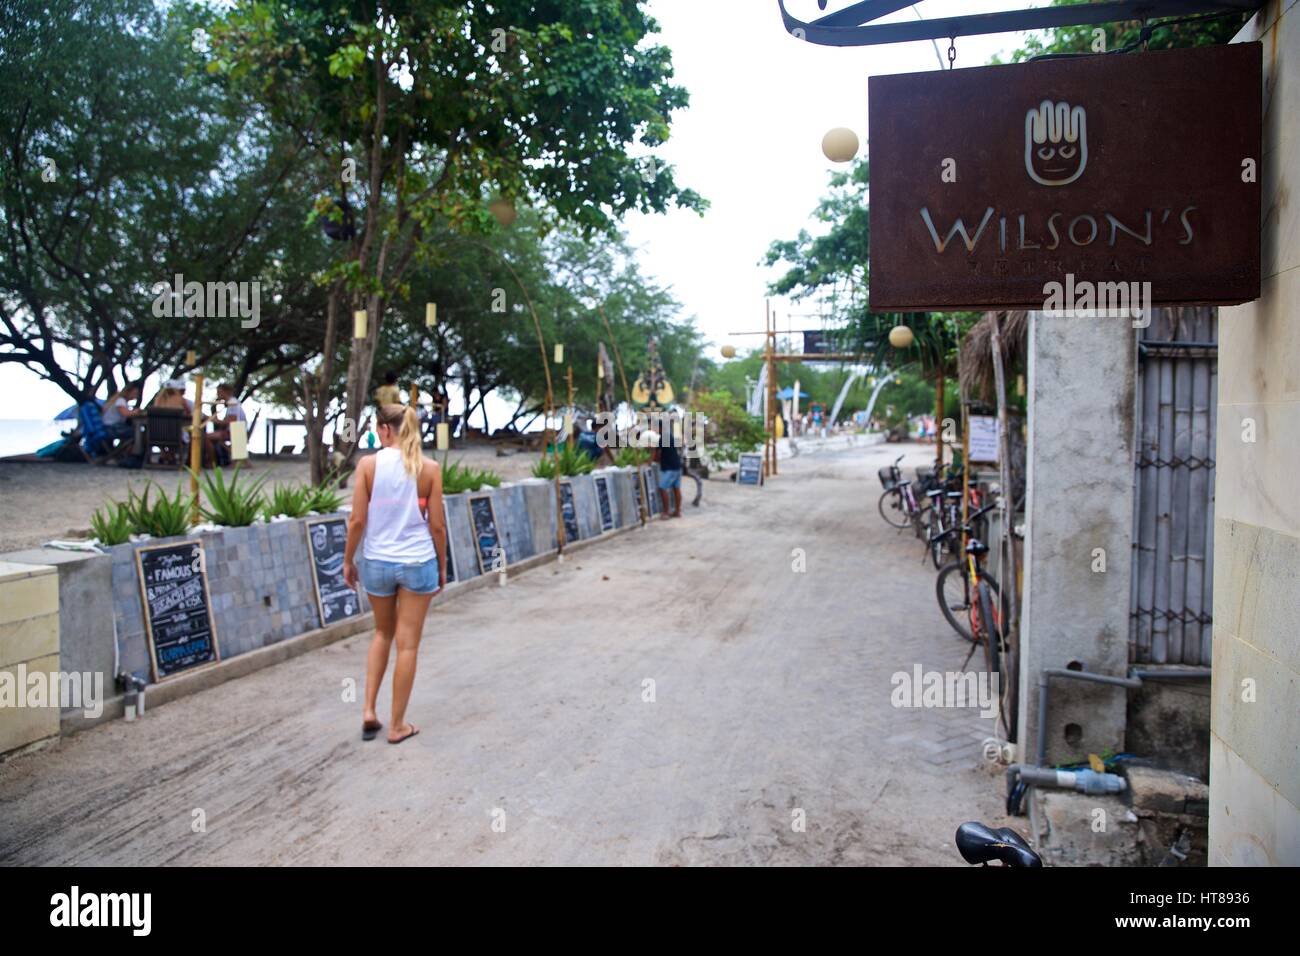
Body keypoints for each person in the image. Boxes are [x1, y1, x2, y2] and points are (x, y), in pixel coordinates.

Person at [343, 404, 447, 745]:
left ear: (385, 430)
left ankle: (369, 710)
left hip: (377, 561)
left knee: (381, 634)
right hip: (418, 563)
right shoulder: (429, 468)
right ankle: (398, 725)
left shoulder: (368, 465)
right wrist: (442, 566)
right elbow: (437, 526)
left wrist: (348, 561)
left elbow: (357, 521)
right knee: (408, 645)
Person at [205, 383, 247, 466]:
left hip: (236, 431)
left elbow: (231, 422)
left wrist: (212, 420)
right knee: (211, 436)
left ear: (226, 392)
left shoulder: (232, 403)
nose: (217, 394)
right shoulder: (233, 402)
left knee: (206, 437)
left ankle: (211, 462)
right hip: (238, 429)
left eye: (219, 392)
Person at [652, 414, 683, 519]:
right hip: (677, 466)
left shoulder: (661, 438)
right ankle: (677, 511)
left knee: (662, 488)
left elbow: (657, 455)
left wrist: (651, 459)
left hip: (669, 467)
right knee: (676, 488)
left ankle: (666, 512)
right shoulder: (669, 436)